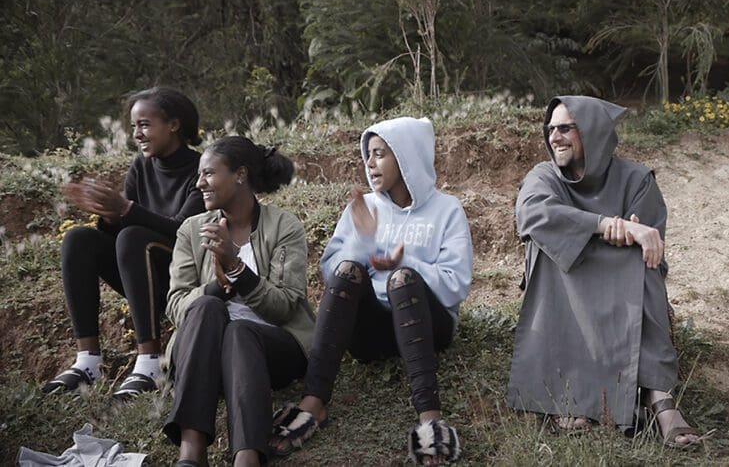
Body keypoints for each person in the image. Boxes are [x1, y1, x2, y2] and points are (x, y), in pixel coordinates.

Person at [270, 117, 472, 465]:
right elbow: (333, 274)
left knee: (403, 278)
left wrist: (401, 261)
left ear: (406, 157)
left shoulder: (447, 209)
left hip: (427, 326)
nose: (370, 162)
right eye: (368, 154)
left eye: (380, 154)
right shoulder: (364, 208)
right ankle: (313, 403)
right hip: (370, 337)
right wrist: (365, 243)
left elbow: (456, 284)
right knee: (348, 269)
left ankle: (430, 418)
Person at [507, 96, 702, 449]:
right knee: (551, 251)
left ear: (593, 132)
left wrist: (597, 235)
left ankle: (659, 396)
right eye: (550, 129)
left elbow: (650, 242)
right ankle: (568, 392)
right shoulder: (543, 175)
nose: (555, 137)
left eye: (565, 128)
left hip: (624, 282)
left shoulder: (637, 179)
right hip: (564, 282)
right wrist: (606, 225)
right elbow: (533, 215)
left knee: (641, 264)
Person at [44, 86, 206, 399]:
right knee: (79, 238)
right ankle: (88, 362)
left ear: (173, 125)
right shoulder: (141, 167)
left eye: (145, 125)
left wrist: (126, 211)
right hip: (141, 276)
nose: (137, 134)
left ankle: (150, 362)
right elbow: (118, 230)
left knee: (134, 236)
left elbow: (183, 231)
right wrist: (108, 214)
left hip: (186, 279)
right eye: (134, 127)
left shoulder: (202, 169)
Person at [162, 136, 314, 467]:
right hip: (202, 352)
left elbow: (285, 304)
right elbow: (176, 305)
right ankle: (191, 452)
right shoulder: (192, 230)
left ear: (240, 175)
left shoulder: (283, 226)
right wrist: (215, 288)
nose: (199, 183)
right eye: (199, 175)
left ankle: (247, 458)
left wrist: (237, 268)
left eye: (209, 174)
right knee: (206, 306)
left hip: (271, 350)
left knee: (241, 332)